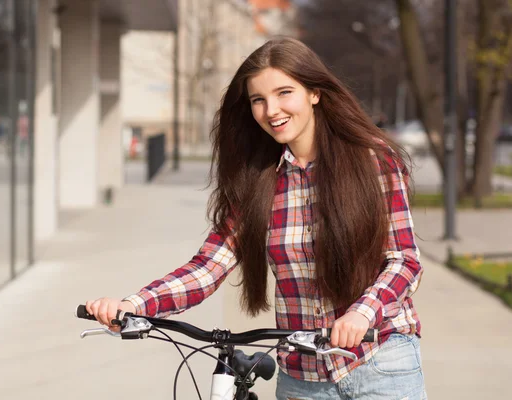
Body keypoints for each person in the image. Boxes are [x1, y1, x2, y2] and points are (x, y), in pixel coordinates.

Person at [85, 37, 426, 399]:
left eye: (284, 93)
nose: (271, 110)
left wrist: (362, 313)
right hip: (302, 378)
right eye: (258, 100)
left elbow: (404, 259)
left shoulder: (372, 160)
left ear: (314, 93)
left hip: (379, 363)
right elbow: (208, 266)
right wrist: (134, 305)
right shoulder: (259, 180)